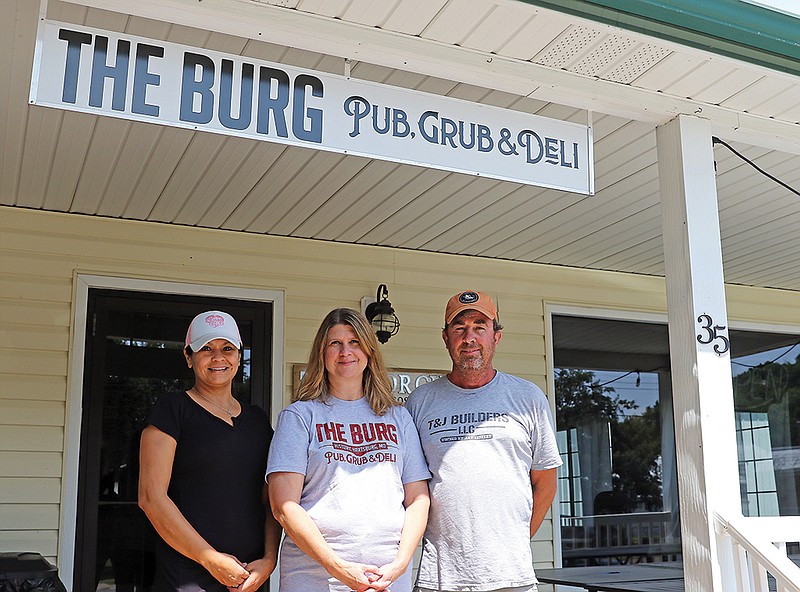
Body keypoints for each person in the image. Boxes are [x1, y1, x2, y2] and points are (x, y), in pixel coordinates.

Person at [405, 291, 562, 592]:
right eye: (459, 328)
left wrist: (514, 542)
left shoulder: (527, 398)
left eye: (480, 326)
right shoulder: (420, 402)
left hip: (511, 577)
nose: (469, 338)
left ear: (496, 336)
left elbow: (546, 483)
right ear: (445, 338)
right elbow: (410, 485)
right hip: (439, 579)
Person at [267, 308, 430, 592]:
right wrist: (338, 568)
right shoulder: (300, 417)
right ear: (322, 353)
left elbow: (418, 498)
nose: (345, 352)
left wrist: (401, 563)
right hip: (315, 578)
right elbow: (284, 507)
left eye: (354, 342)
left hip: (387, 578)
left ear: (368, 351)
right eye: (335, 343)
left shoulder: (398, 418)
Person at [139, 310, 280, 592]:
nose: (218, 358)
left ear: (239, 357)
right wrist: (210, 559)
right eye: (206, 349)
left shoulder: (257, 420)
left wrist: (268, 559)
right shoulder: (173, 410)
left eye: (227, 348)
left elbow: (271, 502)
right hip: (187, 578)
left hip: (249, 578)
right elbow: (151, 498)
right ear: (188, 357)